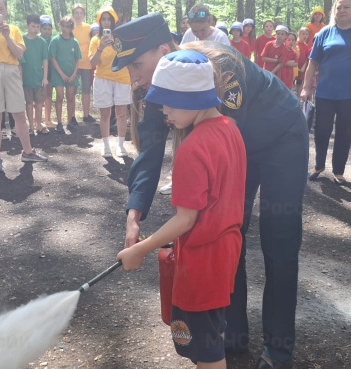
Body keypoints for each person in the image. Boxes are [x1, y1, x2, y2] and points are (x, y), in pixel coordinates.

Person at [112, 13, 308, 369]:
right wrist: (133, 216)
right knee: (228, 235)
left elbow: (219, 140)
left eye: (136, 64)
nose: (134, 77)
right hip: (236, 144)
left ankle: (277, 350)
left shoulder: (218, 66)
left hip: (279, 136)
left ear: (162, 49)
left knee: (278, 240)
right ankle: (230, 334)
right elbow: (149, 152)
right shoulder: (165, 90)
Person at [116, 49, 246, 369]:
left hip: (202, 264)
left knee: (206, 351)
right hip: (225, 254)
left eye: (169, 104)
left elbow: (186, 219)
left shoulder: (192, 148)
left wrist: (140, 250)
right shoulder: (230, 128)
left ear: (191, 100)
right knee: (211, 335)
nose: (164, 112)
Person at [301, 0, 351, 185]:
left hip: (350, 92)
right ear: (334, 10)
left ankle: (339, 171)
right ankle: (318, 166)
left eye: (347, 7)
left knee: (344, 131)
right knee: (322, 130)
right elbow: (313, 62)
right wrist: (306, 88)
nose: (342, 10)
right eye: (339, 7)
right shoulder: (324, 32)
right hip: (325, 92)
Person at [0, 0, 48, 174]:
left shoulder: (14, 29)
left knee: (19, 113)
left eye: (0, 8)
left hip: (12, 69)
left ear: (5, 10)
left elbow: (20, 54)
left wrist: (6, 36)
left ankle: (28, 152)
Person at [89, 5, 131, 158]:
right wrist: (100, 48)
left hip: (122, 78)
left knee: (121, 113)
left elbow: (127, 57)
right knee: (105, 114)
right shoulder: (95, 40)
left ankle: (120, 145)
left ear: (114, 22)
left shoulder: (121, 37)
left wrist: (115, 44)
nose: (106, 22)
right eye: (103, 19)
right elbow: (93, 62)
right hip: (102, 78)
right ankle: (106, 145)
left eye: (109, 19)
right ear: (100, 22)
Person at [49, 16, 81, 132]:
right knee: (60, 97)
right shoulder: (55, 40)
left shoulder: (74, 42)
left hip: (71, 74)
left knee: (71, 97)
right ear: (60, 26)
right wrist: (61, 74)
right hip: (58, 74)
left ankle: (70, 121)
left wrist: (74, 74)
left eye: (68, 26)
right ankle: (59, 122)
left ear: (71, 27)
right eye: (63, 25)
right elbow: (52, 58)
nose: (65, 28)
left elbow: (77, 59)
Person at [21, 14, 49, 135]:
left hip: (39, 78)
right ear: (27, 26)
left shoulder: (42, 42)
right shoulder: (21, 40)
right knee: (28, 102)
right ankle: (30, 126)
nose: (35, 29)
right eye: (33, 26)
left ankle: (38, 124)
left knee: (39, 103)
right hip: (26, 78)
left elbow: (45, 60)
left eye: (38, 26)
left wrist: (45, 77)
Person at [72, 3, 95, 125]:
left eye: (81, 13)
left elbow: (93, 42)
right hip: (73, 64)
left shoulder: (89, 28)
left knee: (86, 90)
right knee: (72, 91)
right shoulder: (70, 27)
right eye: (76, 13)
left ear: (84, 15)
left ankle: (86, 115)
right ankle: (72, 116)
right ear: (73, 14)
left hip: (87, 63)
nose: (79, 15)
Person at [38, 15, 54, 130]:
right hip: (39, 71)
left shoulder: (53, 40)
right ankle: (37, 120)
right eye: (44, 28)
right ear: (40, 29)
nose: (47, 31)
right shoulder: (37, 40)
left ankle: (47, 119)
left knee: (49, 95)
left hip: (51, 71)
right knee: (40, 97)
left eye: (49, 29)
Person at [293, 28, 311, 97]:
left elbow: (307, 58)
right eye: (303, 34)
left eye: (307, 34)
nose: (305, 36)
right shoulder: (295, 44)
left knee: (299, 83)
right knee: (292, 83)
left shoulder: (306, 46)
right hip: (294, 67)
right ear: (298, 34)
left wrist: (303, 67)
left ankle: (298, 99)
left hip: (302, 68)